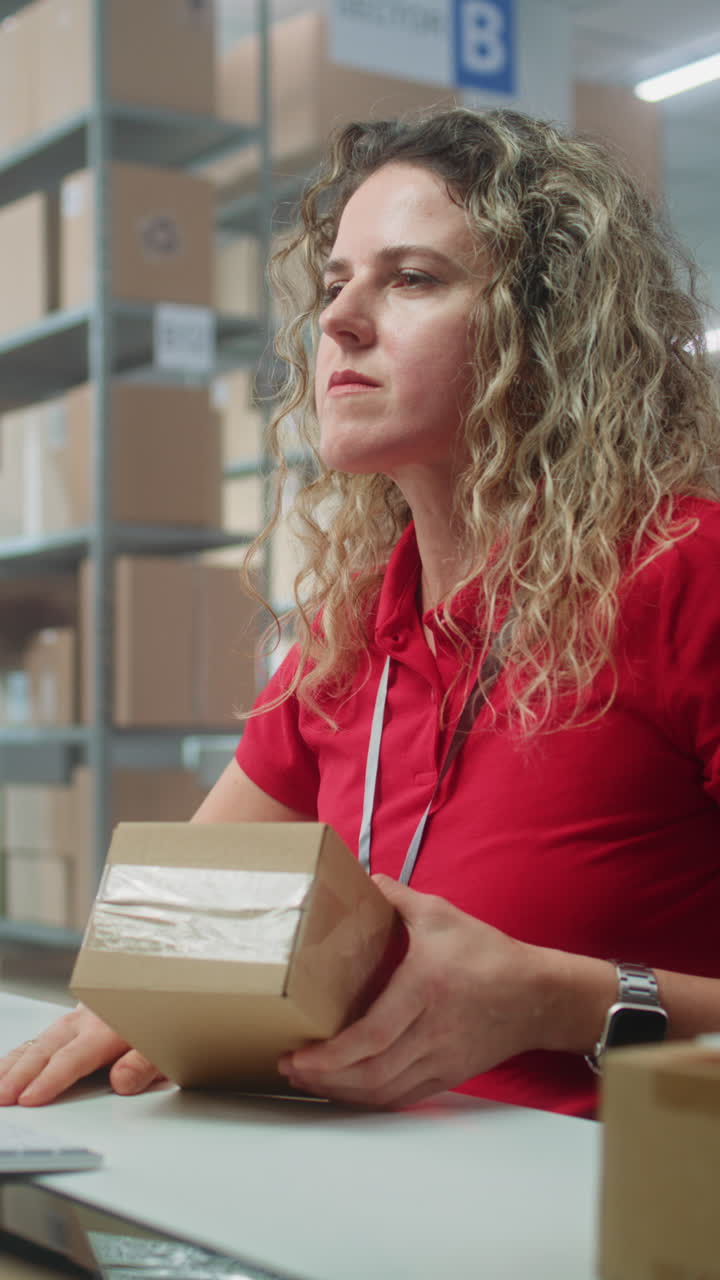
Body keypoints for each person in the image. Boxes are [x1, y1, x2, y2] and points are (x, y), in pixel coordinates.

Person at [2, 107, 719, 1118]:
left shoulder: (690, 575)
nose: (336, 318)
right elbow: (175, 924)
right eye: (336, 282)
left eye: (414, 277)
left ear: (550, 326)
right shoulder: (352, 632)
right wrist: (147, 1001)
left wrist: (551, 998)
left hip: (615, 1213)